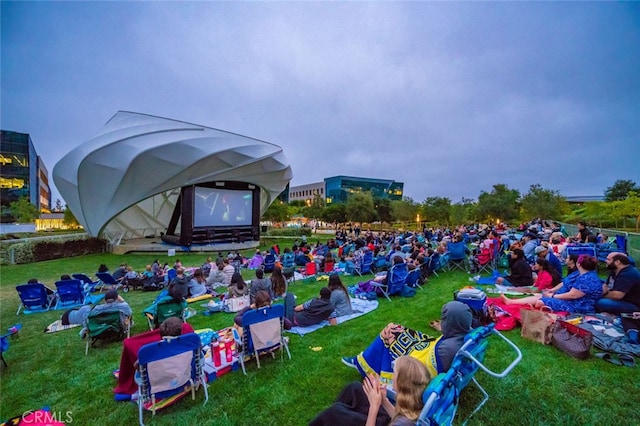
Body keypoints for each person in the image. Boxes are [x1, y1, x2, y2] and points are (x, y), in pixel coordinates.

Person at [341, 301, 473, 385]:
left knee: (389, 333)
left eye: (445, 319)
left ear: (452, 323)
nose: (442, 321)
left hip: (417, 364)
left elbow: (427, 365)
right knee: (396, 328)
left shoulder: (449, 348)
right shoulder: (463, 337)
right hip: (426, 350)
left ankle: (363, 362)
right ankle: (368, 358)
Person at [310, 356, 429, 426]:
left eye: (394, 372)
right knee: (355, 388)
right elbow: (400, 417)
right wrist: (384, 400)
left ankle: (337, 417)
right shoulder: (415, 405)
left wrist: (374, 406)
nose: (392, 375)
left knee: (334, 412)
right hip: (385, 420)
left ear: (401, 382)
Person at [501, 255, 602, 314]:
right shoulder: (582, 274)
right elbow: (564, 283)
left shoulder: (586, 278)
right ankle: (511, 302)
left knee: (540, 301)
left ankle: (511, 302)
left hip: (579, 305)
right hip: (570, 299)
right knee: (539, 296)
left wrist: (553, 295)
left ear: (578, 264)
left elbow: (573, 295)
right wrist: (552, 291)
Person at [61, 289, 132, 336]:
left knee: (85, 309)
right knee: (84, 309)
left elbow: (88, 318)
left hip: (98, 328)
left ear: (105, 300)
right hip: (115, 327)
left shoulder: (98, 308)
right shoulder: (123, 307)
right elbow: (129, 313)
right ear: (117, 298)